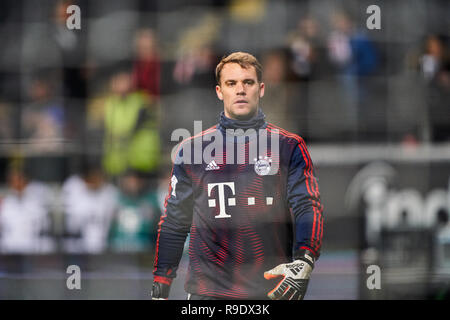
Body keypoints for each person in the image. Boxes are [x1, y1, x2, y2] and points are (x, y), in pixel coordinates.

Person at [151, 52, 323, 300]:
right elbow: (174, 221)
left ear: (261, 89)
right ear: (220, 91)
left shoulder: (288, 146)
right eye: (232, 83)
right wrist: (161, 282)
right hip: (208, 293)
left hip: (270, 290)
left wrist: (305, 258)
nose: (240, 90)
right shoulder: (191, 151)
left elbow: (307, 205)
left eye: (248, 82)